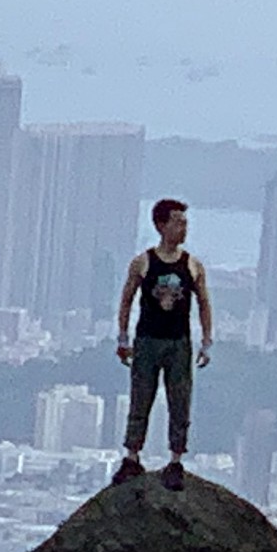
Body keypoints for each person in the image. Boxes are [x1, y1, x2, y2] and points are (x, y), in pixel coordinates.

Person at [112, 197, 213, 490]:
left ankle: (176, 460)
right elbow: (127, 299)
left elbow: (204, 303)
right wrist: (123, 337)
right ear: (161, 225)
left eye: (185, 223)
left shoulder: (192, 265)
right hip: (147, 340)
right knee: (140, 398)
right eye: (178, 222)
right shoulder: (143, 262)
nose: (183, 228)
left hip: (178, 342)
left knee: (179, 401)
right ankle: (132, 456)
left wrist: (206, 341)